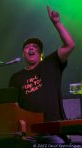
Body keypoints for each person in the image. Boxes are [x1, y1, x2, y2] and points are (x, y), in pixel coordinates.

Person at [9, 6, 75, 144]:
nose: (31, 48)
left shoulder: (51, 63)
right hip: (29, 133)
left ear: (41, 54)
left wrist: (57, 23)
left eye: (36, 47)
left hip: (52, 131)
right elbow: (13, 107)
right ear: (23, 54)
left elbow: (69, 45)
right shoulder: (16, 78)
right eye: (28, 47)